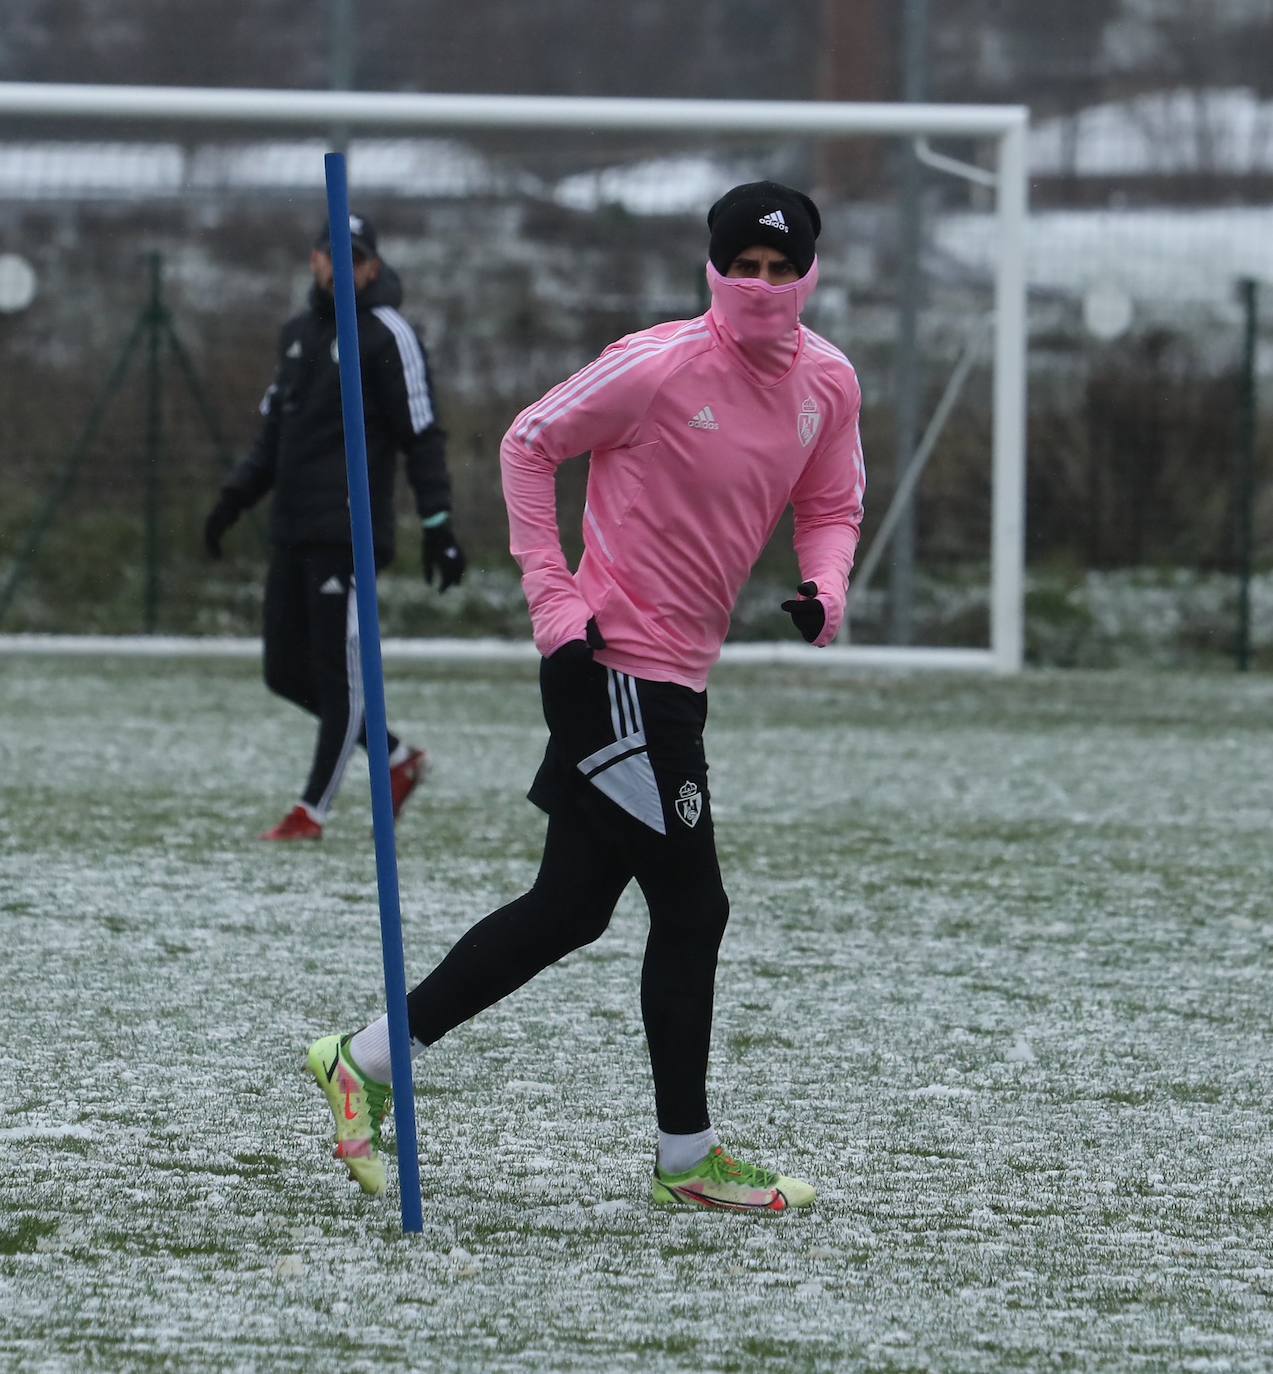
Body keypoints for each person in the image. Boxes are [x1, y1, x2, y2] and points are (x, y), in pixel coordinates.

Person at [307, 182, 865, 1211]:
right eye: (741, 265)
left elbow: (830, 505)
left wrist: (825, 587)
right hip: (611, 672)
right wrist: (554, 603)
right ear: (712, 268)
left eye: (781, 269)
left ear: (809, 275)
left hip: (678, 682)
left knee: (568, 910)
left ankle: (367, 1059)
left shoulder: (827, 383)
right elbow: (527, 445)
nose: (760, 285)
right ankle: (687, 1160)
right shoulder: (654, 366)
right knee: (694, 906)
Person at [204, 213, 466, 841]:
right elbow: (275, 434)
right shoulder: (296, 335)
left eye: (353, 256)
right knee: (282, 673)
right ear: (315, 262)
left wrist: (438, 523)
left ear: (371, 267)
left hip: (348, 534)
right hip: (292, 529)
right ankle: (398, 759)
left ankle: (311, 812)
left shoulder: (386, 335)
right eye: (328, 253)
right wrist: (233, 499)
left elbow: (421, 434)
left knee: (336, 673)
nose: (338, 265)